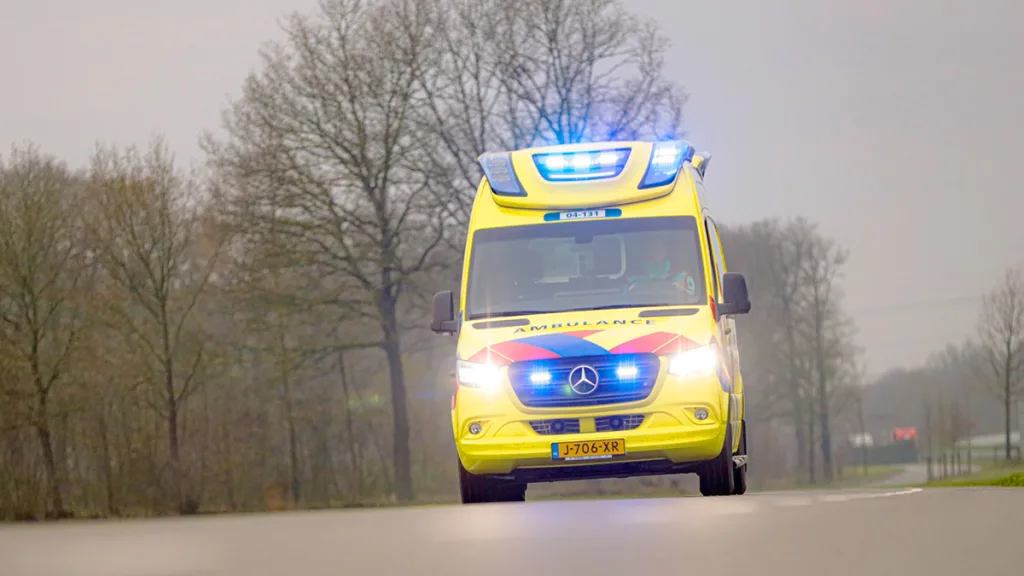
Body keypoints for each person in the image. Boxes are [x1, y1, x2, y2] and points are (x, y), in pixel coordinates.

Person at [624, 237, 699, 297]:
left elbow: (692, 298)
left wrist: (680, 289)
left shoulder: (682, 275)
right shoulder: (631, 277)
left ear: (665, 250)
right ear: (643, 251)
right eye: (649, 247)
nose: (653, 251)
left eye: (657, 247)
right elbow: (622, 300)